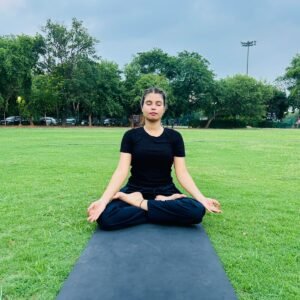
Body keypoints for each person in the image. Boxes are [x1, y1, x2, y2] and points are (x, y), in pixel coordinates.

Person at [87, 87, 221, 230]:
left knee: (196, 210)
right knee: (106, 217)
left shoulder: (174, 137)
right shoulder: (131, 136)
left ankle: (142, 204)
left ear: (164, 108)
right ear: (142, 106)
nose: (153, 107)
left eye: (158, 104)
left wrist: (201, 198)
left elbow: (182, 173)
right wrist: (103, 200)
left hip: (165, 191)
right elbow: (121, 170)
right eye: (149, 103)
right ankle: (161, 210)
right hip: (135, 190)